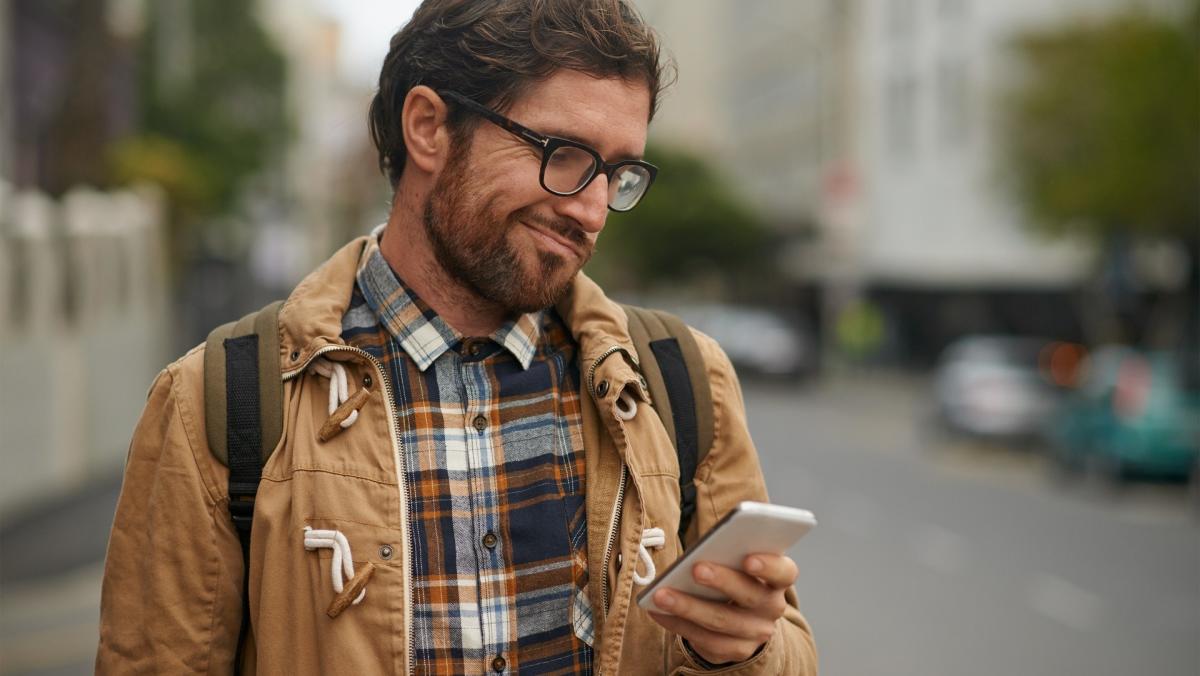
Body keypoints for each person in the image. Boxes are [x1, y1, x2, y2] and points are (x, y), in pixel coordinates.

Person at [95, 1, 818, 673]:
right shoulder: (218, 404)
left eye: (618, 171)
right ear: (430, 128)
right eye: (563, 153)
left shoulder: (681, 381)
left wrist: (743, 648)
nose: (594, 210)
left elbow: (786, 644)